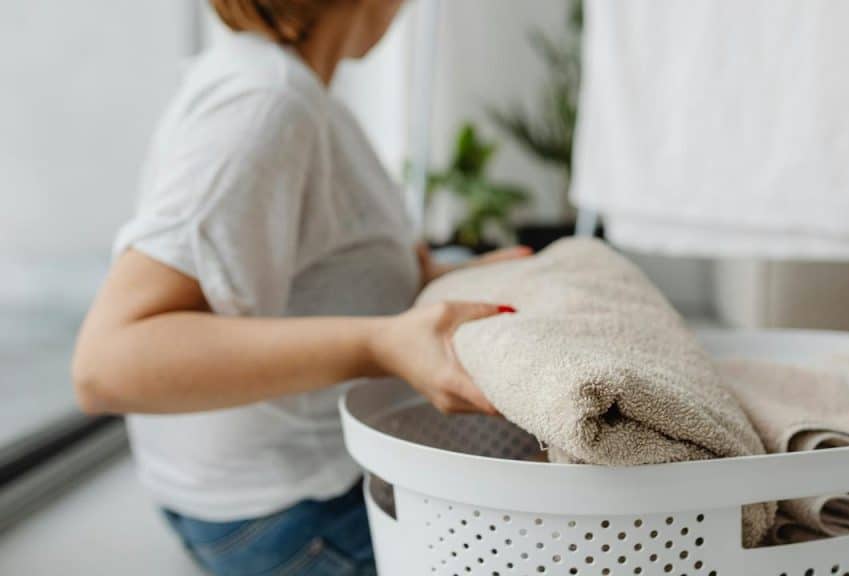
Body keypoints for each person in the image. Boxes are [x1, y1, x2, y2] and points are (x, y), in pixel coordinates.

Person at [71, 1, 529, 573]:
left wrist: (434, 277)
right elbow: (107, 364)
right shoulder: (264, 104)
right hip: (288, 516)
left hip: (255, 496)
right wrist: (377, 344)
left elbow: (315, 263)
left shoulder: (289, 87)